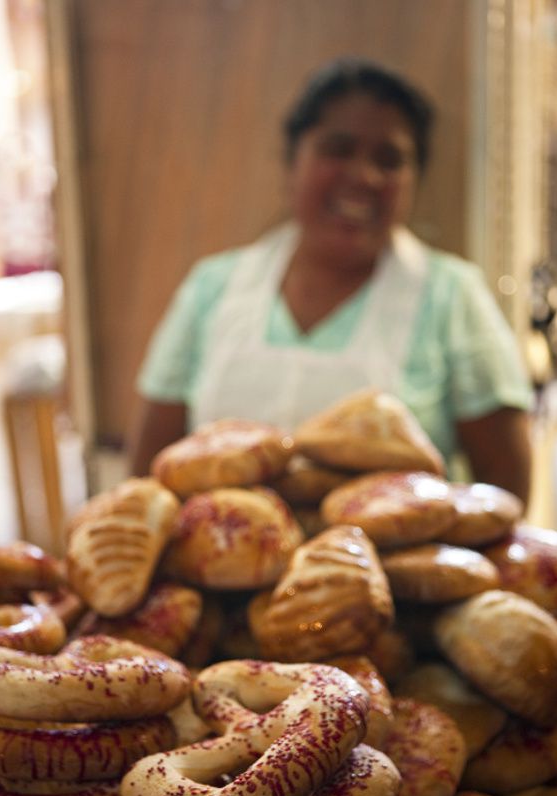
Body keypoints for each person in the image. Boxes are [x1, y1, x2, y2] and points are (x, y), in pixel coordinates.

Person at [128, 57, 533, 503]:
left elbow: (504, 489)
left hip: (393, 573)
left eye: (390, 159)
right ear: (291, 161)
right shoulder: (212, 289)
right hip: (218, 566)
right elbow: (151, 472)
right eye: (338, 149)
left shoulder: (453, 298)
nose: (363, 176)